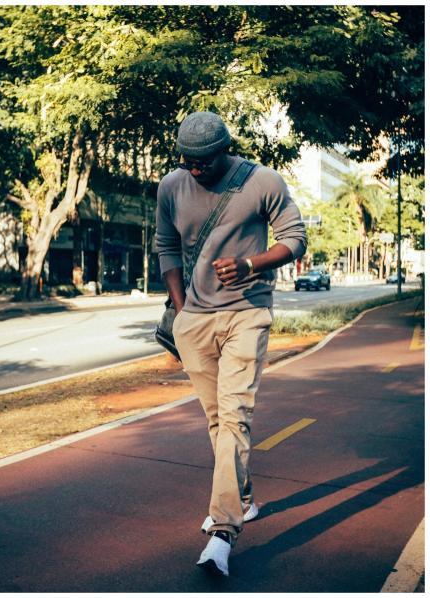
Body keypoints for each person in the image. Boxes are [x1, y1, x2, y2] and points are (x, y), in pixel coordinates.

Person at [155, 111, 307, 576]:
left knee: (235, 414)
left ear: (225, 150)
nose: (195, 169)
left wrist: (250, 265)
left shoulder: (262, 182)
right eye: (188, 161)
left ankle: (223, 533)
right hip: (195, 320)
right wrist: (181, 311)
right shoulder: (171, 185)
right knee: (218, 419)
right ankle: (243, 500)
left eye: (204, 161)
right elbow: (165, 247)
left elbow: (295, 240)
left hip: (247, 313)